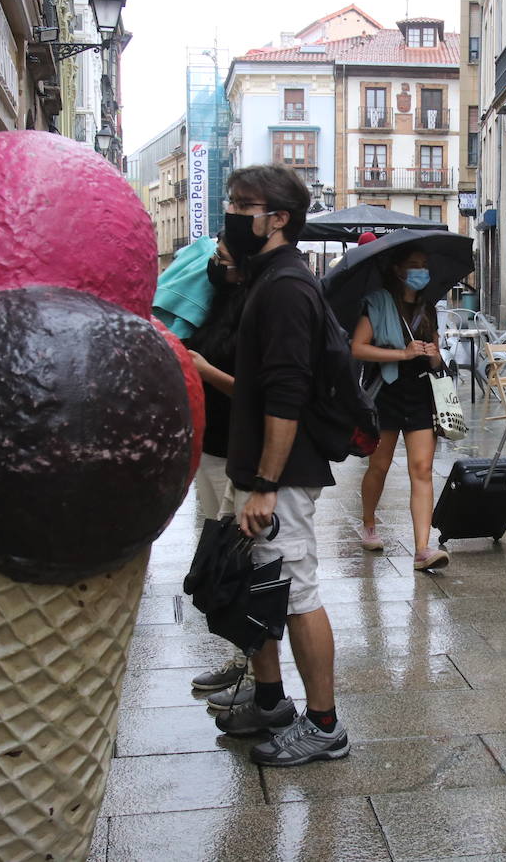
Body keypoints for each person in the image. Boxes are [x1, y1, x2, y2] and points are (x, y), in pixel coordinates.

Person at [212, 164, 348, 767]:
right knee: (258, 587)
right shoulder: (265, 279)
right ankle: (271, 702)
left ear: (279, 219)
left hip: (284, 475)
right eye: (233, 201)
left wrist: (266, 484)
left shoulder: (290, 286)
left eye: (245, 205)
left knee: (296, 592)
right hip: (260, 469)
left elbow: (287, 392)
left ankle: (325, 726)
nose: (234, 213)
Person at [182, 230, 250, 696]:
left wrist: (204, 371)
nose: (216, 260)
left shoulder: (257, 307)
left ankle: (251, 665)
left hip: (240, 450)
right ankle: (239, 657)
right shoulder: (214, 301)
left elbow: (258, 392)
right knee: (218, 553)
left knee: (244, 559)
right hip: (210, 444)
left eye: (224, 255)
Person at [351, 246, 448, 571]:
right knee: (379, 466)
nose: (421, 270)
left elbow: (436, 355)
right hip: (386, 393)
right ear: (397, 269)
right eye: (414, 265)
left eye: (424, 264)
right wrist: (402, 354)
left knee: (422, 470)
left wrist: (433, 355)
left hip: (420, 393)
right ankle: (368, 523)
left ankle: (422, 548)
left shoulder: (427, 307)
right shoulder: (377, 303)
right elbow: (358, 348)